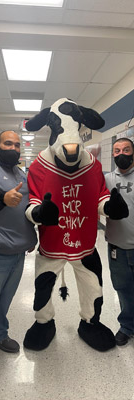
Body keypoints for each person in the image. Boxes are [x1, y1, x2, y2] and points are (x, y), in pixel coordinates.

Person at [0, 130, 37, 384]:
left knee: (4, 302)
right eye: (8, 143)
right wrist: (0, 198)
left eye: (17, 145)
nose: (13, 148)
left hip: (17, 252)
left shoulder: (20, 173)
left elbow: (26, 208)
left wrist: (31, 235)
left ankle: (0, 335)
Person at [105, 137, 134, 346]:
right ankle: (127, 326)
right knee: (122, 288)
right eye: (116, 151)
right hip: (116, 245)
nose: (121, 154)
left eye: (125, 150)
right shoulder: (107, 180)